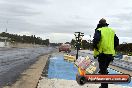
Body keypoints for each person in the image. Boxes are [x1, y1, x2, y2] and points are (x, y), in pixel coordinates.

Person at [93, 18, 119, 88]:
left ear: (99, 24)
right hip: (110, 54)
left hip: (102, 54)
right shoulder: (112, 31)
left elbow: (96, 40)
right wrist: (111, 48)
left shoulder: (99, 30)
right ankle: (104, 84)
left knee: (103, 71)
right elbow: (117, 42)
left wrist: (96, 47)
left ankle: (104, 86)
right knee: (104, 69)